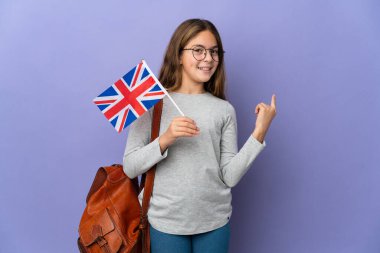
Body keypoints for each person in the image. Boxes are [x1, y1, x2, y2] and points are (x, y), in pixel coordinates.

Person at [123, 18, 277, 253]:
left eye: (214, 52)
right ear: (178, 55)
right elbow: (130, 167)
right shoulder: (152, 103)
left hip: (214, 222)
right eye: (198, 50)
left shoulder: (223, 110)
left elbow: (230, 177)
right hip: (165, 223)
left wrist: (259, 133)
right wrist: (166, 138)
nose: (208, 58)